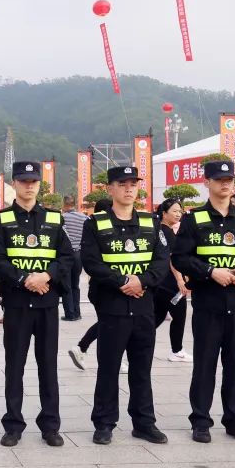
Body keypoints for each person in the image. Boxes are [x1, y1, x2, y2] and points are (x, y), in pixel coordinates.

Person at [172, 159, 235, 443]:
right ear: (207, 183)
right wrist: (209, 271)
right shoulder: (194, 219)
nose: (225, 184)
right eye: (219, 180)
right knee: (204, 364)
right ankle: (200, 420)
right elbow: (180, 257)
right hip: (208, 303)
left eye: (229, 180)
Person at [81, 166, 170, 445]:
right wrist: (122, 281)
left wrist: (142, 281)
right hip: (112, 306)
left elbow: (161, 261)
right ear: (110, 189)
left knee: (141, 368)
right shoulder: (95, 223)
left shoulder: (151, 222)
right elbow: (91, 262)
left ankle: (144, 423)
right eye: (122, 184)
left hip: (143, 306)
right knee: (108, 367)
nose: (129, 188)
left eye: (133, 183)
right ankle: (104, 423)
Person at [0, 160, 74, 447]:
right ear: (14, 183)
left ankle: (50, 425)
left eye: (33, 181)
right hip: (17, 303)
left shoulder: (54, 219)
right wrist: (26, 279)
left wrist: (46, 276)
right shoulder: (1, 220)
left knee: (48, 365)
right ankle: (13, 425)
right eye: (23, 181)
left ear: (39, 184)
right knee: (15, 365)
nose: (29, 186)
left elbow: (66, 257)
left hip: (47, 302)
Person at [68, 197, 112, 371]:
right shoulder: (101, 230)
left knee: (107, 322)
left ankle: (83, 348)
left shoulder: (95, 228)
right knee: (108, 322)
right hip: (104, 287)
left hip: (98, 285)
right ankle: (83, 348)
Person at [153, 199, 190, 362]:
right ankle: (177, 350)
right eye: (174, 211)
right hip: (171, 284)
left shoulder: (160, 229)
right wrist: (180, 280)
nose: (178, 214)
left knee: (157, 317)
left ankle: (133, 342)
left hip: (162, 282)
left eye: (180, 211)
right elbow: (172, 259)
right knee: (179, 316)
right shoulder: (166, 232)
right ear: (164, 213)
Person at [60, 196, 86, 321]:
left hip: (66, 255)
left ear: (64, 204)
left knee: (67, 285)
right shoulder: (84, 218)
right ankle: (77, 312)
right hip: (79, 255)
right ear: (74, 204)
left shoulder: (62, 218)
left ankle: (70, 314)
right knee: (75, 285)